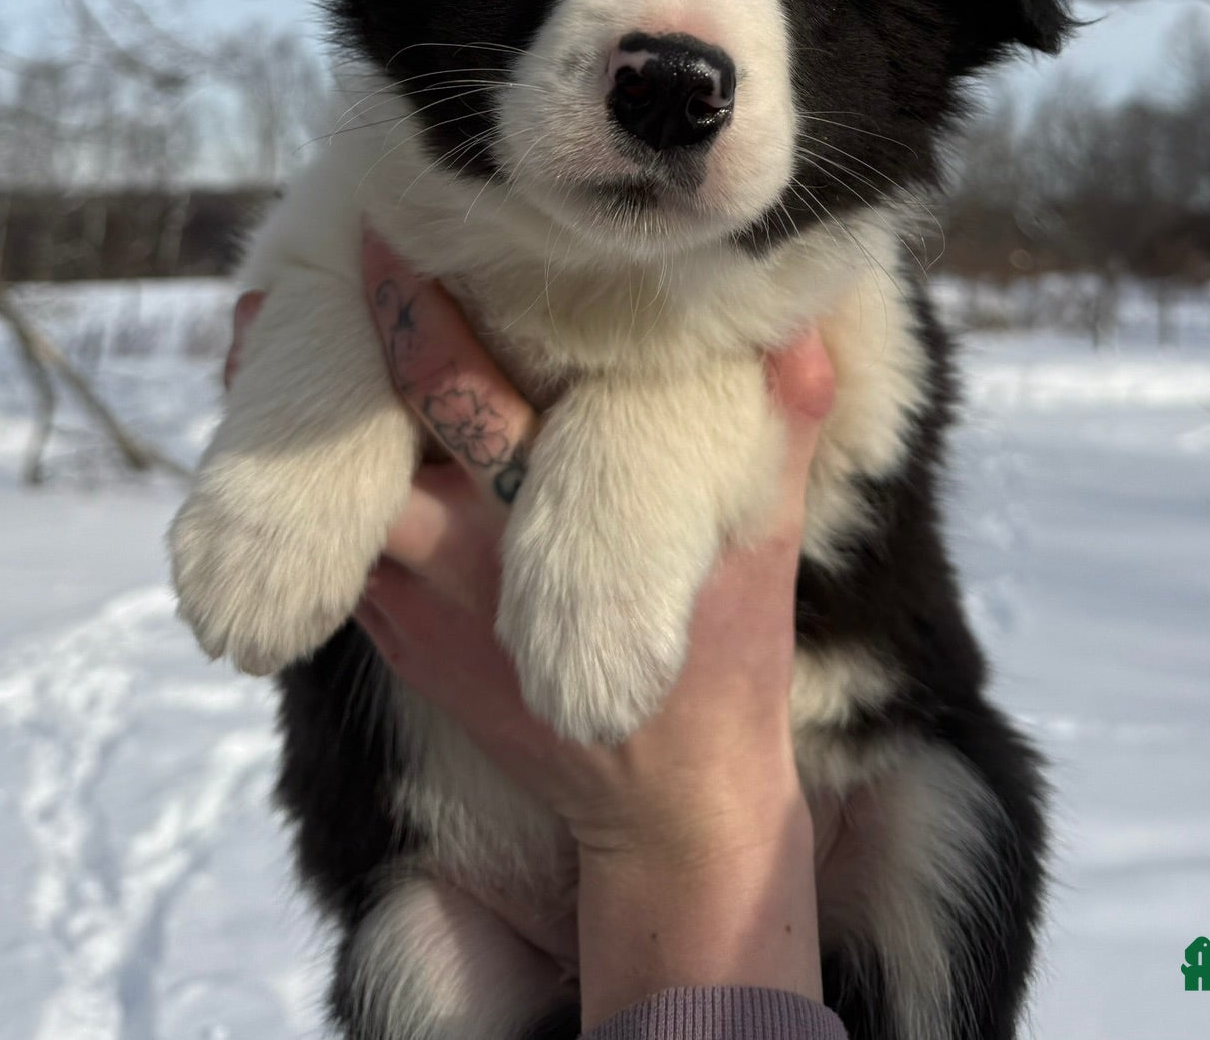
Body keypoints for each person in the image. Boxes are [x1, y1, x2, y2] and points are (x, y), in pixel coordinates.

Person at [223, 229, 849, 1040]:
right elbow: (322, 248)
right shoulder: (369, 191)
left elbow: (815, 356)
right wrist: (322, 364)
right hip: (453, 882)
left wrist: (672, 824)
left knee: (940, 814)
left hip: (830, 836)